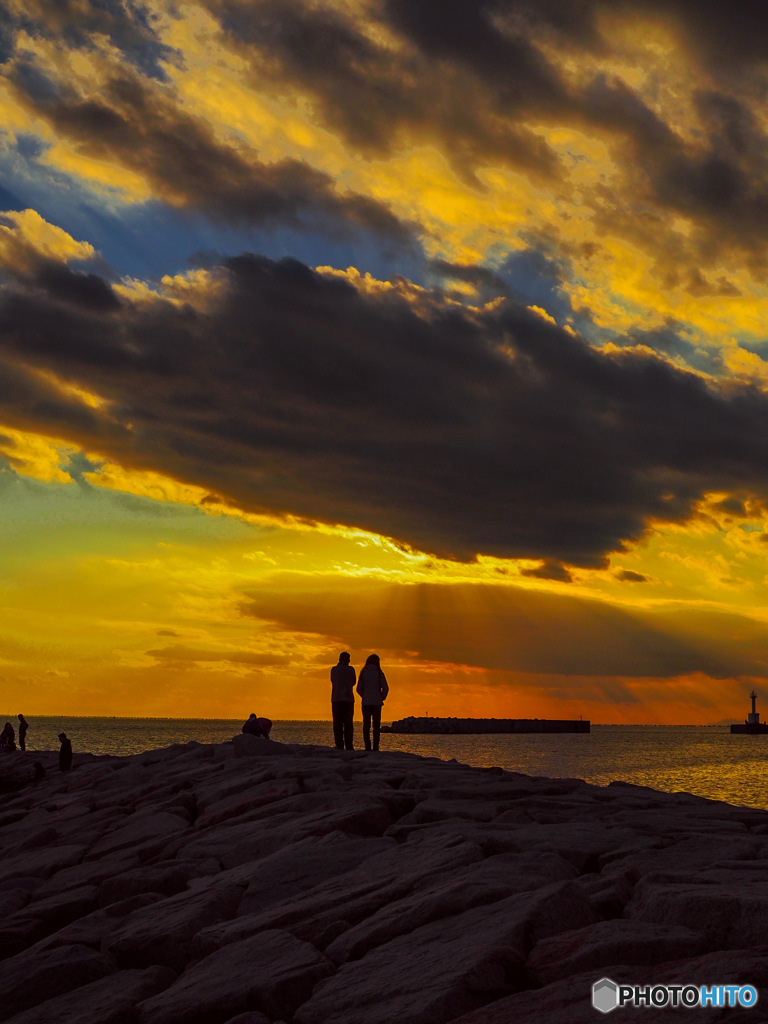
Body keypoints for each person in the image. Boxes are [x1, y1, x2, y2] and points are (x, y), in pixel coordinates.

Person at [356, 653, 389, 751]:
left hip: (366, 703)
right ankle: (375, 747)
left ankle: (367, 747)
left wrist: (364, 696)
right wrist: (382, 697)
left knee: (366, 726)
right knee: (376, 726)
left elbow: (358, 689)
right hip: (377, 703)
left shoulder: (363, 673)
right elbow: (386, 688)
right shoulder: (379, 673)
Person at [330, 651, 356, 750]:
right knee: (348, 723)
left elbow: (332, 680)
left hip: (336, 699)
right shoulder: (351, 670)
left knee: (337, 723)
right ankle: (349, 744)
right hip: (348, 699)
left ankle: (339, 744)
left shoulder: (334, 670)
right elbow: (354, 682)